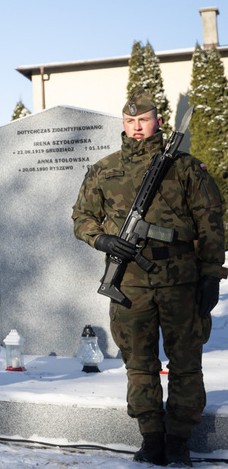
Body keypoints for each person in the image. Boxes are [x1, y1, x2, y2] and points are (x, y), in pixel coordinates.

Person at [72, 90, 225, 467]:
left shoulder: (186, 168)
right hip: (129, 284)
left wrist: (210, 276)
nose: (136, 128)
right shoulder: (103, 170)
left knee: (186, 363)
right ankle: (151, 437)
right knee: (139, 364)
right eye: (129, 121)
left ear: (158, 120)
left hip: (180, 283)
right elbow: (82, 218)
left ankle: (179, 440)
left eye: (143, 120)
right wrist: (103, 238)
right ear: (122, 124)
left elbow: (211, 225)